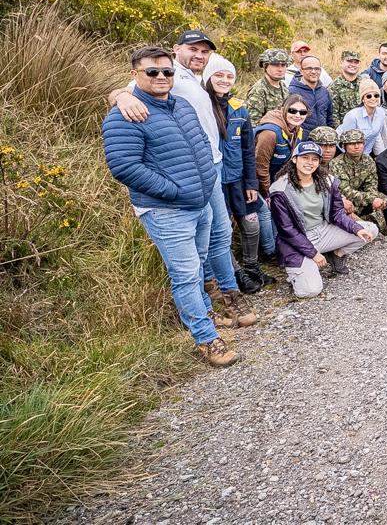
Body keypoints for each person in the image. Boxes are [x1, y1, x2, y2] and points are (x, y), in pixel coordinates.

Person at [103, 46, 239, 367]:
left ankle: (204, 312)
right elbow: (124, 167)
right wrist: (174, 191)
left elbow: (202, 144)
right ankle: (206, 339)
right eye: (152, 72)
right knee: (187, 274)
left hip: (199, 200)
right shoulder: (124, 115)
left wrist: (203, 182)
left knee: (200, 262)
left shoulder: (181, 106)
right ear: (135, 74)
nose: (161, 77)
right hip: (166, 210)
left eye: (167, 72)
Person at [203, 53, 275, 292]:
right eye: (219, 75)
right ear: (207, 76)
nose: (224, 80)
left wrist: (251, 183)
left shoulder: (239, 108)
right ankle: (235, 274)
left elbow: (247, 150)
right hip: (213, 182)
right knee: (222, 231)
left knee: (251, 223)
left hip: (239, 179)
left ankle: (252, 267)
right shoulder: (201, 105)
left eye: (229, 76)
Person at [269, 141, 377, 298]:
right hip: (298, 240)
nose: (310, 162)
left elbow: (337, 213)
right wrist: (313, 253)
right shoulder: (280, 190)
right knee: (309, 291)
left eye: (314, 159)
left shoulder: (326, 181)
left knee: (370, 230)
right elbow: (287, 231)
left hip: (323, 231)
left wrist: (356, 228)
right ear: (294, 159)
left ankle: (336, 255)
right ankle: (299, 271)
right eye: (305, 157)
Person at [330, 128, 387, 235]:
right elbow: (345, 190)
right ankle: (363, 224)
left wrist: (374, 198)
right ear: (344, 146)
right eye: (352, 143)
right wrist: (371, 199)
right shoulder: (336, 163)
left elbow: (372, 184)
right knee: (345, 208)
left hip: (363, 197)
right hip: (347, 199)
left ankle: (368, 220)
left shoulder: (368, 160)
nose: (357, 146)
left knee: (384, 199)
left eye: (359, 143)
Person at [254, 93, 309, 197]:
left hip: (277, 180)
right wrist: (268, 193)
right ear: (283, 109)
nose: (297, 115)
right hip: (256, 184)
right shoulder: (269, 133)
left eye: (302, 112)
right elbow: (260, 166)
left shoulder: (298, 130)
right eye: (292, 111)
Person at [337, 77, 387, 156]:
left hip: (364, 151)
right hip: (343, 150)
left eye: (376, 95)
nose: (373, 98)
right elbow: (347, 142)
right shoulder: (352, 116)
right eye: (369, 96)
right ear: (363, 99)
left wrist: (380, 156)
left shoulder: (381, 113)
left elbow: (375, 136)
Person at [288, 54, 332, 134]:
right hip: (301, 141)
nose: (314, 71)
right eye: (309, 68)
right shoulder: (292, 92)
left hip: (322, 140)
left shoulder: (324, 91)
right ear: (301, 71)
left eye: (317, 69)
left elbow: (330, 117)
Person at [246, 48, 289, 127]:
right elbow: (253, 123)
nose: (280, 69)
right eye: (275, 65)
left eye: (283, 65)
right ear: (265, 66)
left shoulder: (283, 86)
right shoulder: (258, 90)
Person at [329, 50, 364, 121]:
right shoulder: (334, 87)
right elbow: (333, 117)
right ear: (341, 63)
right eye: (349, 61)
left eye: (356, 62)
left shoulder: (365, 83)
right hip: (345, 129)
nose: (353, 65)